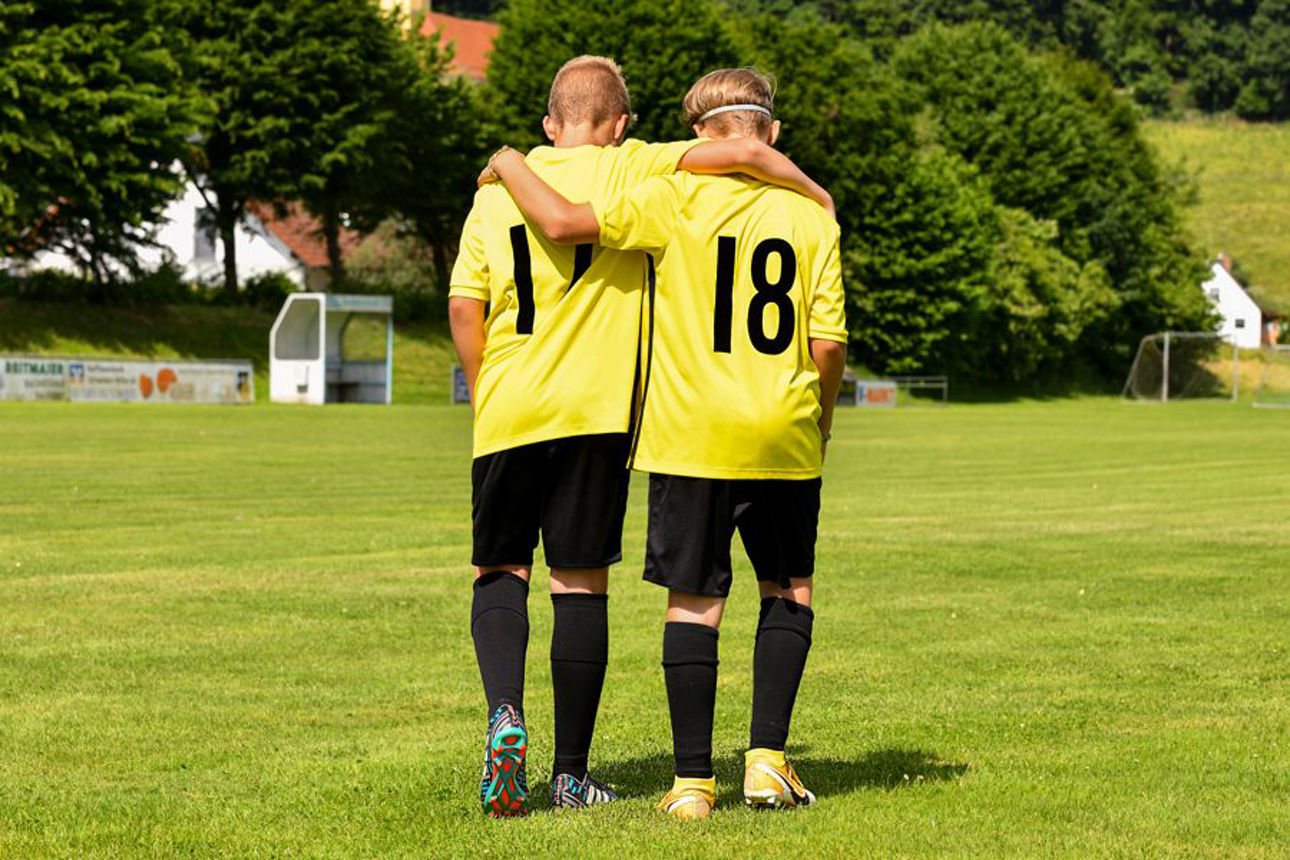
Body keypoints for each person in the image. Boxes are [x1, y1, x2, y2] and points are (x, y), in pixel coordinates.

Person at [449, 56, 833, 818]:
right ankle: (571, 773)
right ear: (624, 124)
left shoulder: (509, 197)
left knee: (501, 568)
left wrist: (503, 159)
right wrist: (816, 194)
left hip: (534, 408)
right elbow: (749, 156)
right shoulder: (640, 170)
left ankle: (513, 716)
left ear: (550, 124)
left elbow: (469, 305)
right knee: (581, 581)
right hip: (607, 412)